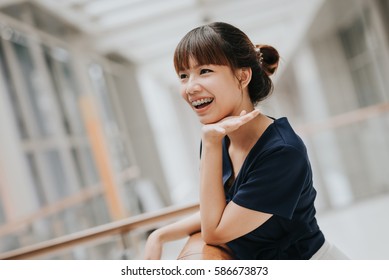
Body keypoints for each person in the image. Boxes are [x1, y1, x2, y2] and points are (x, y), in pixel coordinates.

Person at [144, 22, 348, 260]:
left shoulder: (282, 152)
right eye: (183, 75)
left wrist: (209, 144)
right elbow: (224, 210)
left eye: (204, 71)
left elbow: (216, 231)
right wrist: (158, 235)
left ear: (242, 76)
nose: (190, 87)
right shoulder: (218, 139)